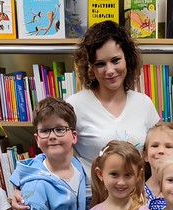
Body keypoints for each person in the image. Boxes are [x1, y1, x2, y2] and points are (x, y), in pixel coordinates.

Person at [69, 20, 161, 183]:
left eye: (116, 60)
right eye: (100, 64)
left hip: (137, 199)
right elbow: (53, 150)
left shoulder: (144, 103)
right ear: (90, 67)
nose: (110, 70)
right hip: (92, 199)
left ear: (128, 59)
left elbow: (160, 154)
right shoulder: (75, 105)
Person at [143, 122, 173, 210]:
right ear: (145, 155)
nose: (161, 151)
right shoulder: (138, 193)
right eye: (155, 146)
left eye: (168, 146)